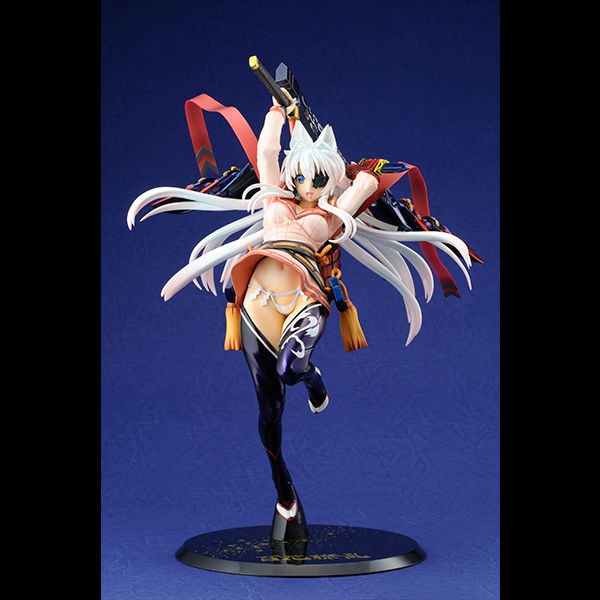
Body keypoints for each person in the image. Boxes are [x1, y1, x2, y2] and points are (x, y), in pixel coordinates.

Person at [126, 89, 473, 540]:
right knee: (269, 411)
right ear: (292, 176)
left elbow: (365, 187)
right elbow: (266, 151)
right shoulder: (274, 199)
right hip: (255, 306)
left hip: (304, 300)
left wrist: (360, 174)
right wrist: (278, 107)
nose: (309, 186)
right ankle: (284, 494)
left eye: (318, 179)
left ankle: (313, 380)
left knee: (291, 370)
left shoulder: (333, 214)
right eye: (303, 177)